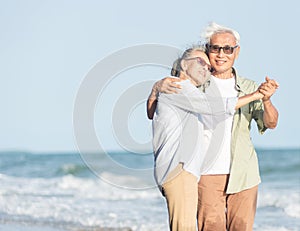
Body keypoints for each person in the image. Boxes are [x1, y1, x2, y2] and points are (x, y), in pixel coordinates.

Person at [148, 22, 279, 231]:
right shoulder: (195, 84)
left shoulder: (249, 86)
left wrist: (266, 99)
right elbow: (158, 108)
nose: (221, 54)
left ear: (236, 52)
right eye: (215, 48)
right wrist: (156, 88)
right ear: (208, 50)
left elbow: (270, 123)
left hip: (243, 174)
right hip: (205, 173)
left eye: (227, 49)